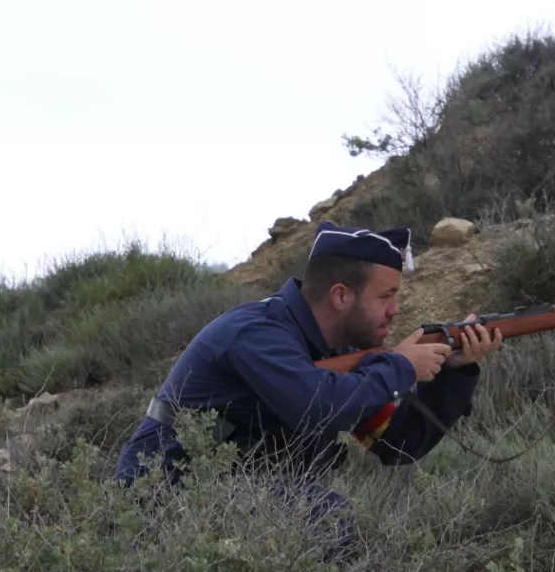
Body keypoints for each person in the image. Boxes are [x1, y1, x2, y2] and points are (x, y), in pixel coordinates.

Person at [113, 220, 502, 554]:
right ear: (340, 296)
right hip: (164, 495)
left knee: (316, 513)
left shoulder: (346, 353)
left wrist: (455, 371)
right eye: (387, 296)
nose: (395, 310)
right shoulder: (257, 333)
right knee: (323, 514)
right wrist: (399, 367)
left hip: (231, 493)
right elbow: (317, 405)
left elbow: (399, 445)